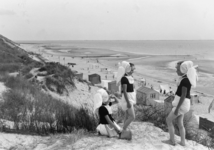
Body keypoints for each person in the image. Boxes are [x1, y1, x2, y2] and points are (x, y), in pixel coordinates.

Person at [166, 61, 198, 146]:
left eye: (178, 68)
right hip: (184, 104)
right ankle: (183, 142)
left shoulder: (185, 81)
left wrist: (177, 108)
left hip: (181, 104)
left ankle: (172, 141)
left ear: (184, 69)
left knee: (168, 120)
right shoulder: (186, 78)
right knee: (180, 123)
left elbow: (183, 95)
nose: (176, 70)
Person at [116, 61, 136, 132]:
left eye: (133, 70)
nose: (132, 71)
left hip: (131, 98)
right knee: (132, 117)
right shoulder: (124, 78)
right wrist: (128, 102)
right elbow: (124, 91)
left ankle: (124, 130)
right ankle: (123, 129)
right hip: (128, 99)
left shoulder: (130, 77)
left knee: (127, 115)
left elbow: (132, 88)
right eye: (131, 69)